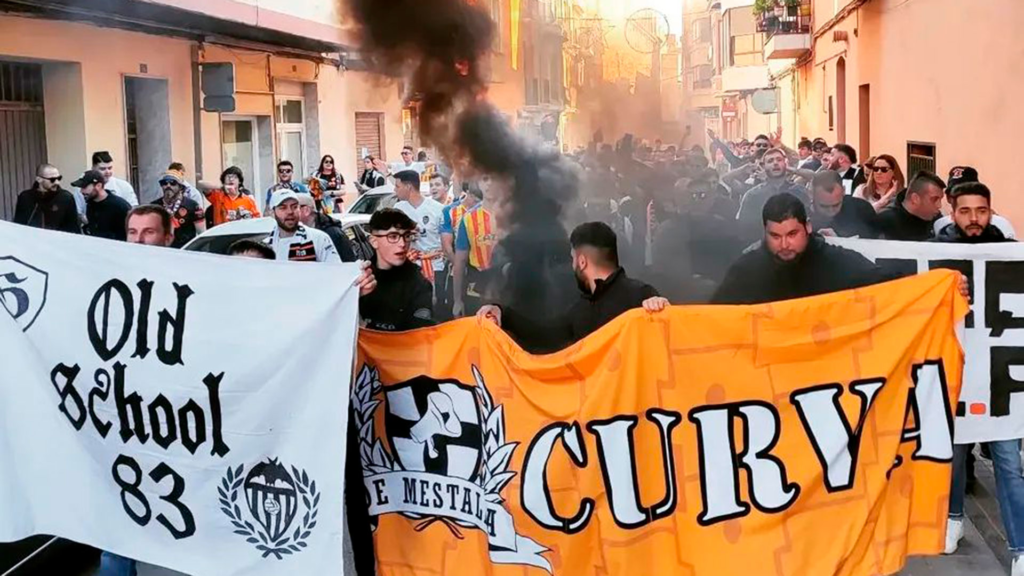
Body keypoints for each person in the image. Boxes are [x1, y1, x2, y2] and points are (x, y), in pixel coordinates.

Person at [935, 183, 1024, 576]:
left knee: (1007, 461)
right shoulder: (933, 252)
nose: (974, 219)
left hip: (999, 375)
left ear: (991, 212)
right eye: (966, 210)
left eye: (982, 210)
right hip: (955, 367)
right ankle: (952, 517)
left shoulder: (1009, 252)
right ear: (952, 211)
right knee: (953, 455)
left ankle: (1020, 546)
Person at [477, 221, 659, 353]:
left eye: (573, 259)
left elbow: (664, 336)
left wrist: (659, 309)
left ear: (582, 262)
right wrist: (503, 313)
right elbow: (546, 334)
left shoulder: (641, 297)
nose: (572, 266)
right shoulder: (582, 308)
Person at [713, 193, 892, 304]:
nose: (784, 245)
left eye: (792, 234)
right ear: (765, 232)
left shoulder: (838, 262)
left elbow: (894, 290)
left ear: (808, 227)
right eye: (775, 236)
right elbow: (716, 316)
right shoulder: (746, 270)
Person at [358, 208, 436, 331]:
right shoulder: (360, 278)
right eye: (393, 236)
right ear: (374, 241)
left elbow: (419, 335)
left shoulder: (418, 284)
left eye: (407, 236)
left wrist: (365, 327)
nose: (402, 243)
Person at [735, 147, 811, 241]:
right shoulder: (753, 195)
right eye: (770, 161)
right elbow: (745, 229)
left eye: (779, 160)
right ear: (764, 166)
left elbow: (809, 223)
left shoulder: (800, 192)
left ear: (785, 163)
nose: (775, 163)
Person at [393, 170, 446, 289]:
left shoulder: (438, 209)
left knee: (435, 303)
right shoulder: (398, 209)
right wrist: (406, 235)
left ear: (408, 187)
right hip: (409, 266)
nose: (394, 190)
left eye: (397, 186)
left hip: (435, 266)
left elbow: (447, 241)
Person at [452, 185, 498, 318]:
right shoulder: (468, 219)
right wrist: (457, 301)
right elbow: (459, 261)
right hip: (477, 289)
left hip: (508, 290)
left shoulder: (515, 216)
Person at [933, 166, 1016, 239]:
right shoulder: (940, 225)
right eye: (956, 192)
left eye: (969, 191)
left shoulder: (1001, 224)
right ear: (948, 197)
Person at [438, 184, 481, 319]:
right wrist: (459, 265)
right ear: (468, 192)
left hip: (479, 273)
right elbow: (447, 246)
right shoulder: (450, 211)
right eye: (477, 197)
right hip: (455, 271)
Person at [261, 190, 340, 263]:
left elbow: (335, 272)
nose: (290, 212)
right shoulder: (266, 246)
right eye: (283, 208)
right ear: (272, 213)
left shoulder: (319, 239)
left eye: (294, 207)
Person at [876, 171, 945, 241]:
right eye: (934, 199)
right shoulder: (884, 221)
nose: (939, 205)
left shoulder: (937, 221)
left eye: (940, 199)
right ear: (915, 199)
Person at [13, 164, 81, 234]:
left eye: (59, 178)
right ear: (39, 179)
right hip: (32, 240)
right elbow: (18, 224)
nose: (57, 182)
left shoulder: (66, 198)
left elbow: (73, 228)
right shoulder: (25, 197)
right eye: (52, 179)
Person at [810, 171, 879, 238]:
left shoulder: (862, 210)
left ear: (843, 190)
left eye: (836, 205)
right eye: (824, 206)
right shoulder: (803, 215)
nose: (831, 210)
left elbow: (876, 241)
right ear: (811, 194)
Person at [295, 194, 358, 262]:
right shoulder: (293, 234)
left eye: (294, 207)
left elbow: (346, 263)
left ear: (306, 210)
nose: (289, 212)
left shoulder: (333, 234)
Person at [152, 169, 205, 248]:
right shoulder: (154, 206)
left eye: (173, 183)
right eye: (164, 183)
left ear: (181, 187)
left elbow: (202, 234)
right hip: (162, 251)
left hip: (185, 251)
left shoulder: (193, 206)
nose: (168, 186)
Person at [75, 169, 132, 241]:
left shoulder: (120, 206)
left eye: (84, 187)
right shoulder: (90, 204)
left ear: (98, 186)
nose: (81, 191)